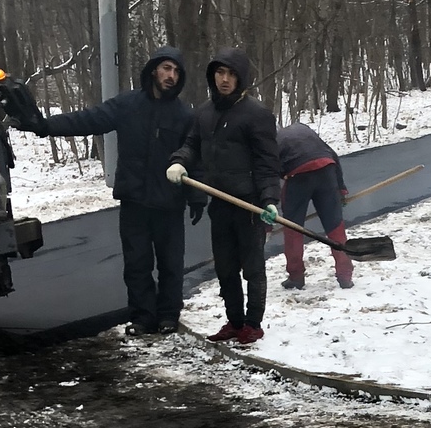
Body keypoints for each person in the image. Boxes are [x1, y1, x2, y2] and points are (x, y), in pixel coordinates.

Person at [20, 46, 199, 335]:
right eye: (167, 68)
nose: (172, 76)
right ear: (154, 69)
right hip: (134, 201)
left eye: (177, 71)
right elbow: (88, 119)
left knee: (170, 264)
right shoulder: (127, 105)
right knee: (137, 264)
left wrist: (196, 198)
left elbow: (193, 155)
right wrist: (45, 127)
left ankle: (167, 316)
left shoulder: (183, 115)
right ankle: (141, 318)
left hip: (168, 203)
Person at [167, 47, 281, 344]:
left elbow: (268, 163)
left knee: (253, 267)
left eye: (231, 74)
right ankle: (234, 321)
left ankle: (253, 324)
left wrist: (269, 199)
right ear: (212, 75)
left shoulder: (257, 115)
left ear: (241, 79)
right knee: (225, 267)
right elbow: (192, 144)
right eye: (220, 73)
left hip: (250, 205)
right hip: (220, 202)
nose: (225, 79)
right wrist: (179, 161)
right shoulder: (204, 112)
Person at [277, 122, 353, 290]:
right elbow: (333, 155)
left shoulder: (272, 141)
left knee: (293, 229)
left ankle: (296, 277)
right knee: (335, 227)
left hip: (298, 177)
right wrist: (341, 188)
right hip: (327, 170)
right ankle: (345, 276)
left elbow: (269, 174)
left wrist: (270, 203)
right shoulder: (303, 129)